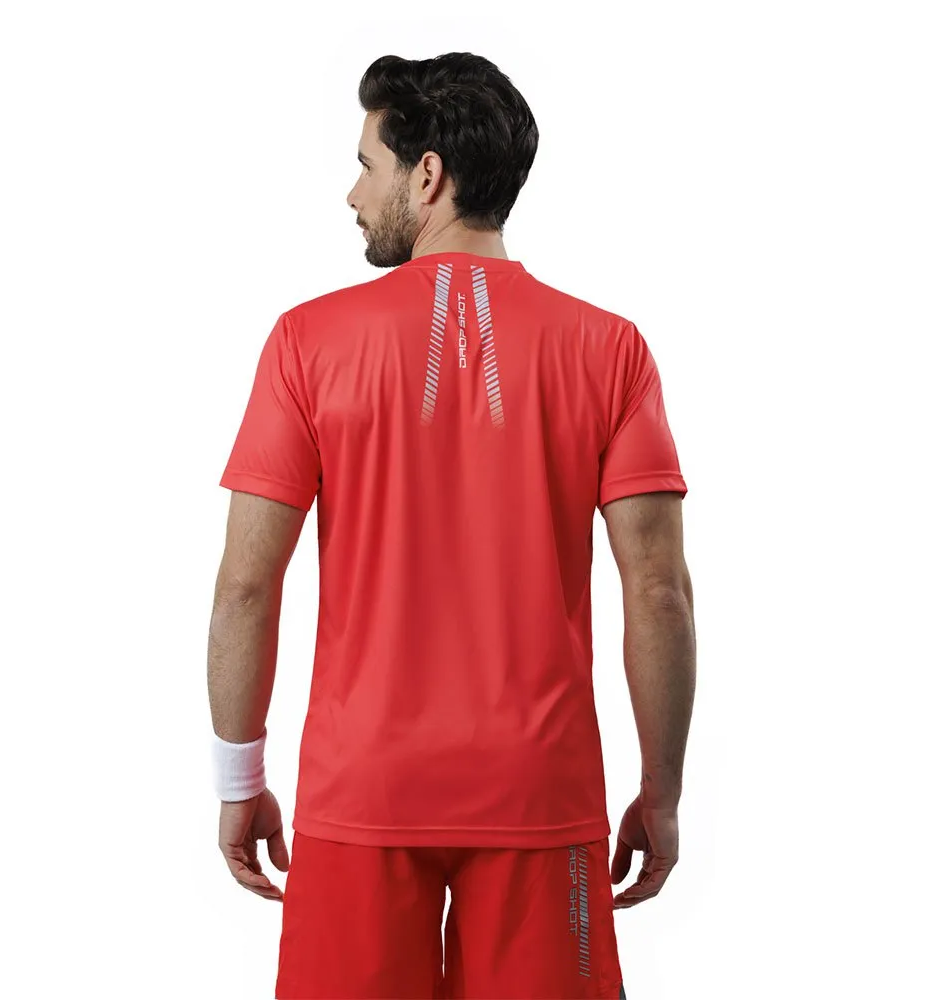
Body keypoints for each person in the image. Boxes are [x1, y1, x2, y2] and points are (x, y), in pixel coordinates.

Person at [207, 51, 696, 1000]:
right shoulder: (611, 350)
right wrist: (663, 792)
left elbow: (244, 586)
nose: (353, 195)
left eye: (367, 165)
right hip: (540, 795)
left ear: (426, 174)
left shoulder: (307, 342)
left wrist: (239, 777)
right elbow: (659, 592)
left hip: (361, 792)